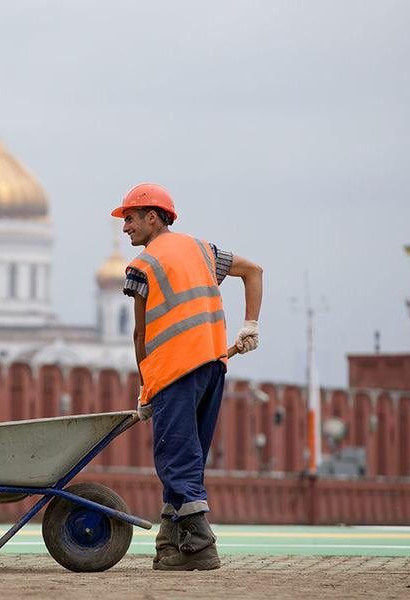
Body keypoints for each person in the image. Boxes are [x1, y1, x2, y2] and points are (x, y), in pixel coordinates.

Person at [112, 183, 263, 571]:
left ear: (153, 217)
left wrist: (146, 388)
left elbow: (141, 335)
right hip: (212, 366)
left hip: (174, 372)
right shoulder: (203, 250)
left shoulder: (142, 267)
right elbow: (254, 271)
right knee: (188, 457)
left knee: (175, 457)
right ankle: (171, 543)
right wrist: (250, 325)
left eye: (130, 219)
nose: (125, 227)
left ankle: (199, 545)